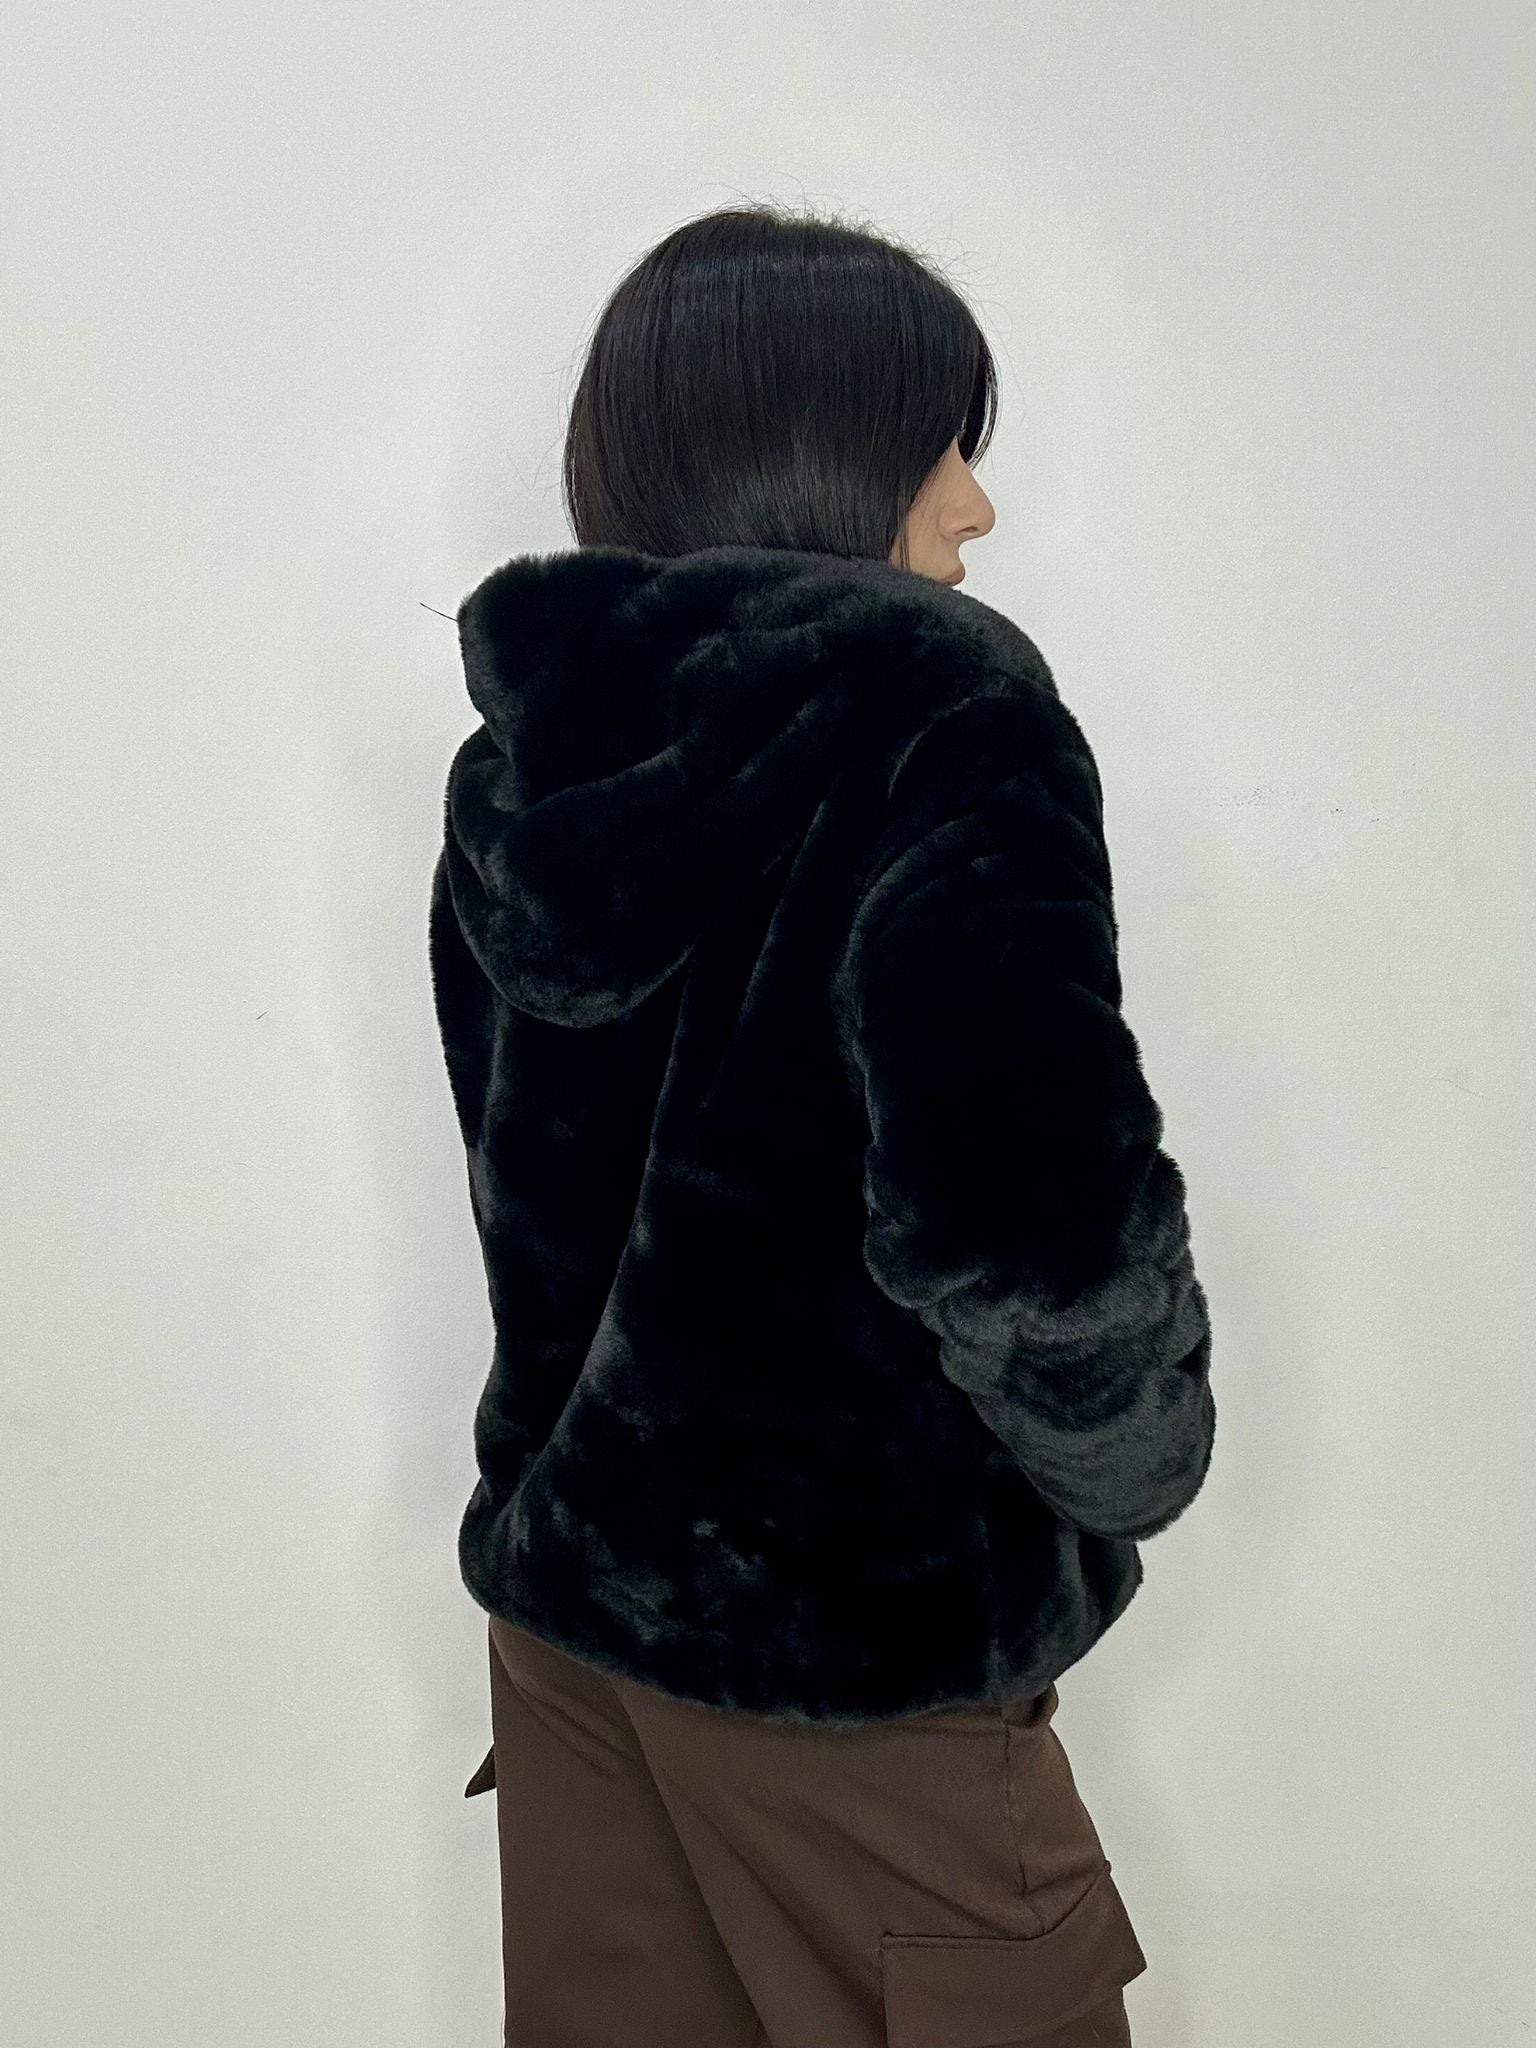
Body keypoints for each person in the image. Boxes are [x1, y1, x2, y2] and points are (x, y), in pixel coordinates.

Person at [429, 200, 1216, 2048]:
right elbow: (1025, 1215)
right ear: (827, 448)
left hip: (574, 1636)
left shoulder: (525, 770)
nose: (974, 507)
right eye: (941, 445)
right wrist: (1139, 1454)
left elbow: (529, 1195)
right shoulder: (946, 707)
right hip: (847, 1651)